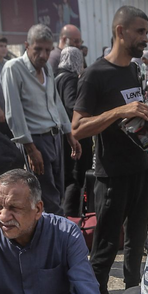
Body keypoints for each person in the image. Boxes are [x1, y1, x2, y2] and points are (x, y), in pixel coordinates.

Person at [73, 5, 148, 294]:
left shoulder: (133, 69)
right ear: (121, 31)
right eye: (140, 32)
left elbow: (129, 117)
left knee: (136, 244)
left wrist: (146, 130)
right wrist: (120, 110)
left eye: (146, 31)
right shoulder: (94, 75)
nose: (145, 38)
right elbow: (77, 128)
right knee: (105, 249)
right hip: (112, 176)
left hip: (140, 168)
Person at [1, 24, 81, 215]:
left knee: (58, 191)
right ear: (27, 45)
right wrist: (30, 148)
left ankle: (54, 235)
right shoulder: (14, 68)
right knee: (45, 196)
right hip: (35, 140)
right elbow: (14, 112)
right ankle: (54, 238)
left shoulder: (47, 70)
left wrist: (69, 134)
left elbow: (56, 103)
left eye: (47, 50)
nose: (43, 55)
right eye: (38, 49)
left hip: (54, 138)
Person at [55, 46, 94, 217]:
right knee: (76, 178)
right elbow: (71, 105)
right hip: (74, 136)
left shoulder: (56, 77)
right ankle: (73, 215)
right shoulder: (70, 79)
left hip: (60, 134)